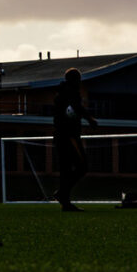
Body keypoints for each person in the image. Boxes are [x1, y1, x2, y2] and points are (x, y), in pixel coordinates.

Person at [52, 68, 97, 211]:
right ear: (75, 80)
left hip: (61, 135)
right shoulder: (70, 93)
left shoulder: (61, 93)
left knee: (66, 169)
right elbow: (76, 108)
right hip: (68, 136)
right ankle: (62, 194)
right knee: (82, 166)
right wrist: (90, 118)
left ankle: (65, 202)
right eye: (78, 80)